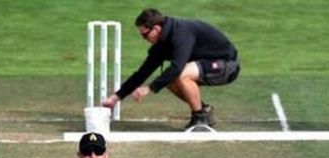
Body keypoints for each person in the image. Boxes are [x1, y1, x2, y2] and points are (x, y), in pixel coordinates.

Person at [101, 8, 240, 130]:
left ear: (156, 29)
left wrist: (149, 88)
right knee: (168, 79)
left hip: (227, 65)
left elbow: (177, 68)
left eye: (145, 35)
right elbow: (142, 73)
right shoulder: (162, 43)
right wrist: (115, 97)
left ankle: (200, 119)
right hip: (207, 64)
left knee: (180, 74)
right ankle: (204, 111)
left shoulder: (180, 34)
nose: (144, 39)